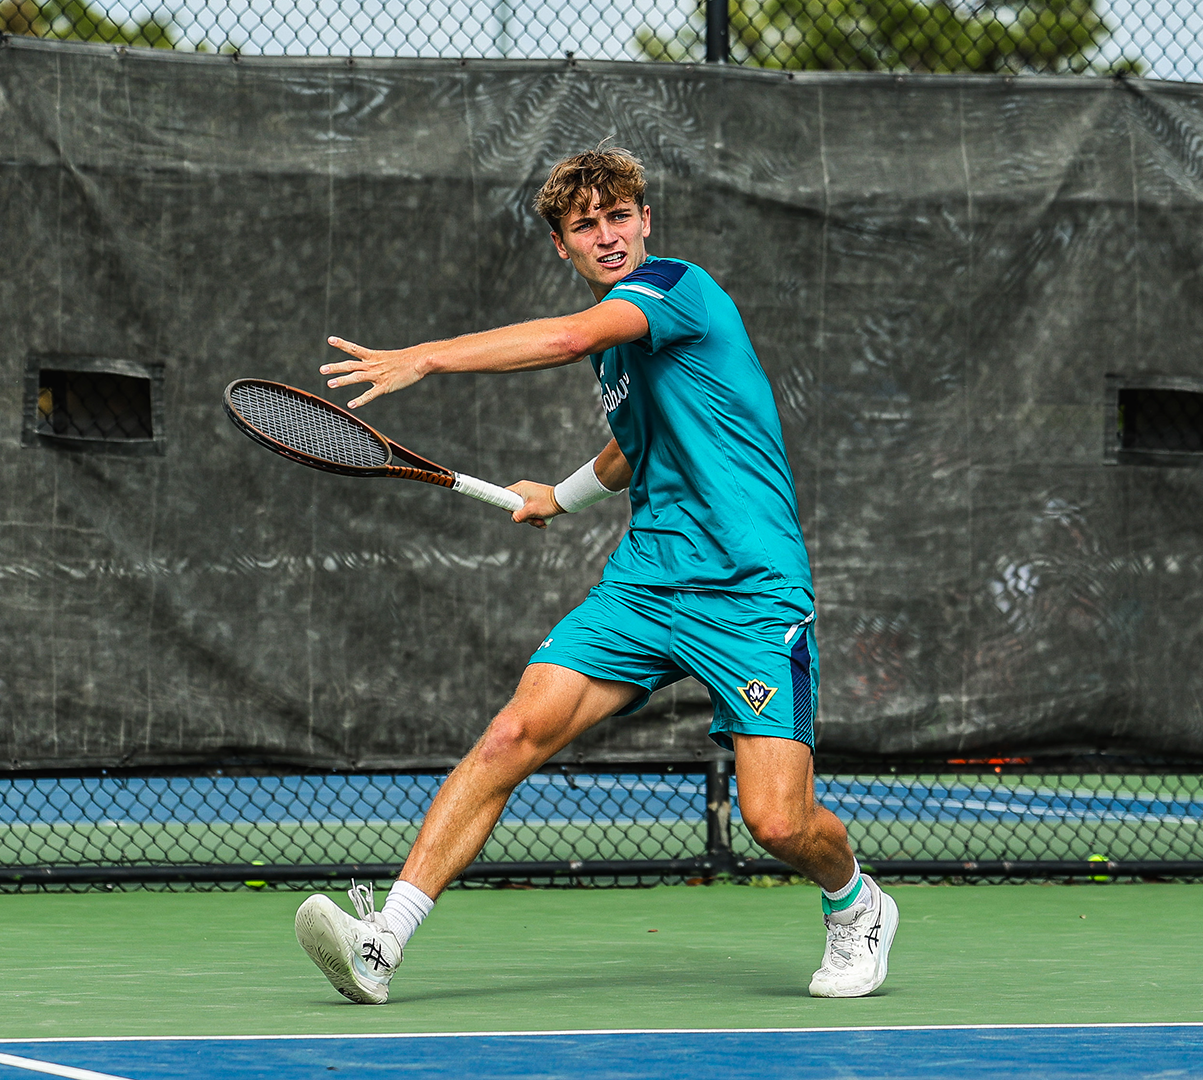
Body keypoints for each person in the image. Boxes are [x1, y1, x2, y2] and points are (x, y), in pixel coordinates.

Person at [293, 147, 897, 1005]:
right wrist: (562, 498)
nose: (608, 235)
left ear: (646, 221)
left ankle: (856, 902)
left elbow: (570, 333)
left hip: (750, 592)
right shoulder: (621, 358)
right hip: (645, 585)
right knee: (513, 735)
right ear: (561, 245)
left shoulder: (676, 290)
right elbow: (629, 449)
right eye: (586, 225)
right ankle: (382, 942)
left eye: (620, 216)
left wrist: (424, 357)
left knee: (777, 822)